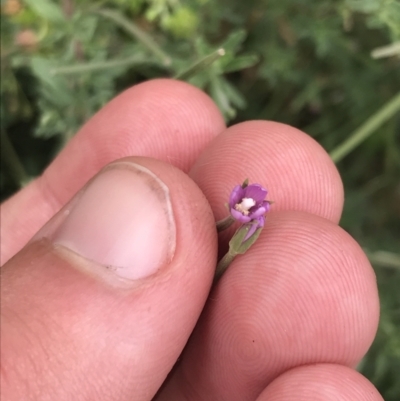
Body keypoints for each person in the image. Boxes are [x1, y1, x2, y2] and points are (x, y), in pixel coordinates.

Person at [0, 79, 383, 401]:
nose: (244, 205)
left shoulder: (241, 216)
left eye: (248, 208)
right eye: (242, 205)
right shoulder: (232, 214)